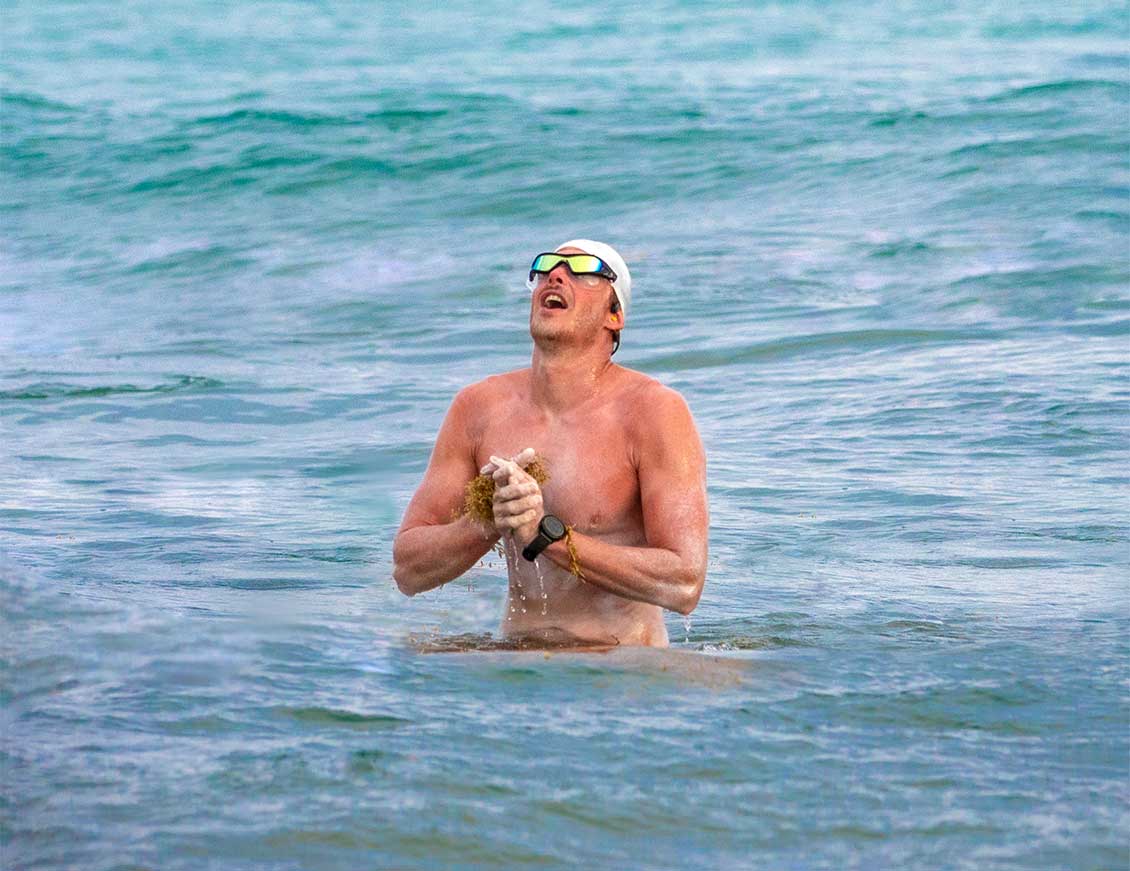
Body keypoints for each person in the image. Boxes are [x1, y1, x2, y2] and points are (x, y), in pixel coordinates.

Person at [392, 239, 708, 647]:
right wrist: (488, 519)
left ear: (615, 315)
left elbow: (683, 583)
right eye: (547, 268)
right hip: (517, 664)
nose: (556, 275)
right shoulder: (478, 407)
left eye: (582, 271)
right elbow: (408, 570)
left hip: (621, 670)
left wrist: (545, 536)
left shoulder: (654, 412)